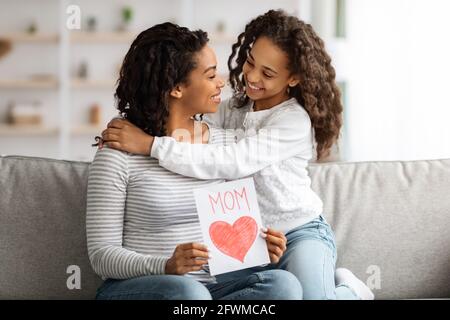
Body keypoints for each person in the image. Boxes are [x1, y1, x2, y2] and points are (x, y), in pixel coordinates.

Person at [98, 10, 375, 300]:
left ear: (293, 78)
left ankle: (349, 291)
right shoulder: (232, 111)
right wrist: (133, 127)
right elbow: (192, 132)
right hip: (253, 239)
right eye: (250, 62)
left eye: (267, 74)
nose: (251, 77)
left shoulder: (292, 121)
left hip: (298, 228)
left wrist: (150, 145)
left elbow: (230, 161)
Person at [87, 22, 303, 300]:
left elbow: (232, 239)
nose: (222, 82)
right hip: (141, 286)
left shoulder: (224, 148)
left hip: (211, 287)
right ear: (177, 87)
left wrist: (263, 250)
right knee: (189, 294)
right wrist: (165, 265)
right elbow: (102, 256)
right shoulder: (118, 152)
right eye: (211, 75)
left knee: (283, 285)